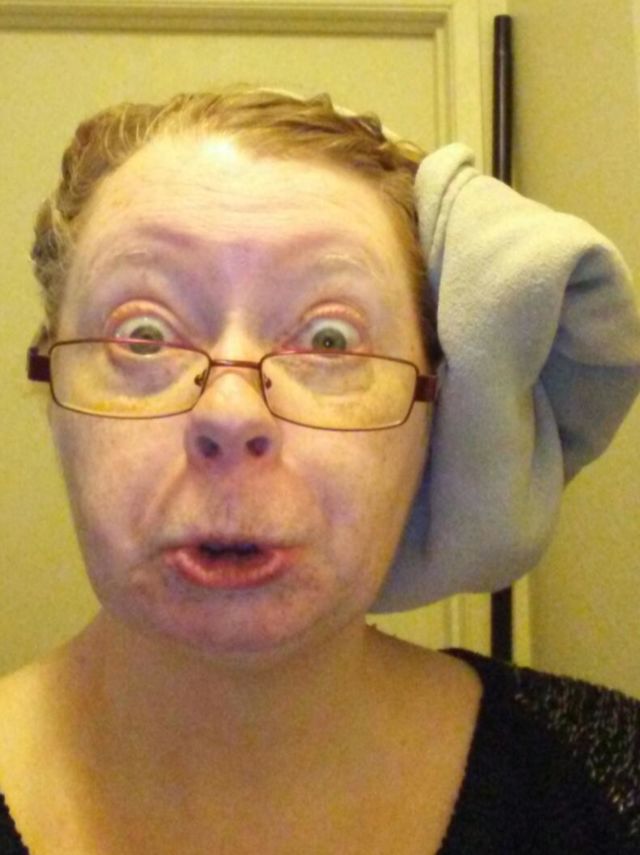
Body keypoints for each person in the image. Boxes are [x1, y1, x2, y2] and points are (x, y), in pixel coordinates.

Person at [0, 86, 639, 855]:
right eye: (143, 336)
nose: (230, 413)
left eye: (331, 341)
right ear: (52, 391)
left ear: (435, 408)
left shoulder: (610, 785)